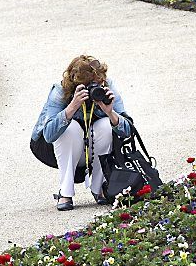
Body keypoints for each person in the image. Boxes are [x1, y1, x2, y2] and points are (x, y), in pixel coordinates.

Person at [30, 55, 131, 211]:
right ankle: (65, 192)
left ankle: (99, 188)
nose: (92, 89)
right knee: (70, 128)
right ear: (74, 84)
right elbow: (49, 135)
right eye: (86, 85)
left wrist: (110, 113)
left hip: (93, 146)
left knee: (105, 124)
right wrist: (72, 107)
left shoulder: (107, 87)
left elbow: (127, 131)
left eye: (95, 83)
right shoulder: (61, 90)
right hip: (64, 148)